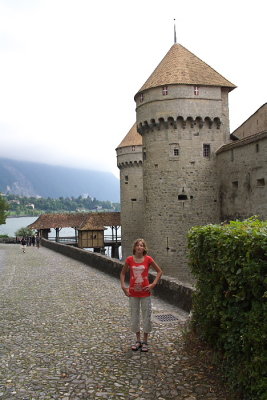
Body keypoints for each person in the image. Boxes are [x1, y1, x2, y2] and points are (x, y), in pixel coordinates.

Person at [120, 238, 162, 352]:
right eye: (138, 245)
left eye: (142, 245)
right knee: (134, 316)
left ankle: (145, 341)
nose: (139, 247)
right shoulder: (129, 260)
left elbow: (159, 271)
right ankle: (137, 340)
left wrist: (153, 284)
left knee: (146, 316)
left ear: (144, 248)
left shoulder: (148, 259)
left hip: (145, 293)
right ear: (134, 248)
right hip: (133, 293)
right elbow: (123, 273)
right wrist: (124, 287)